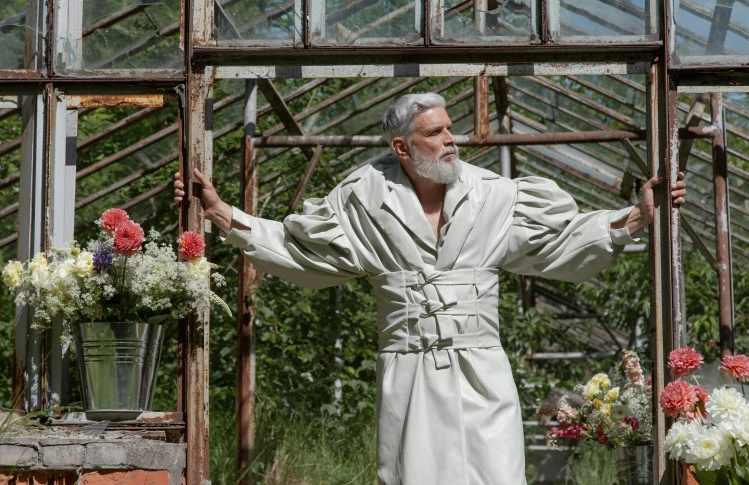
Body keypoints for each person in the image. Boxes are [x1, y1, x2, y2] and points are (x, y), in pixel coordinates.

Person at [173, 92, 687, 485]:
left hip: (482, 372)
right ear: (402, 147)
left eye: (450, 129)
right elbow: (300, 250)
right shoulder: (361, 200)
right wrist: (221, 212)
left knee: (496, 476)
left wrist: (636, 218)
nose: (450, 140)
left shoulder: (494, 196)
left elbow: (562, 243)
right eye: (435, 133)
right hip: (409, 373)